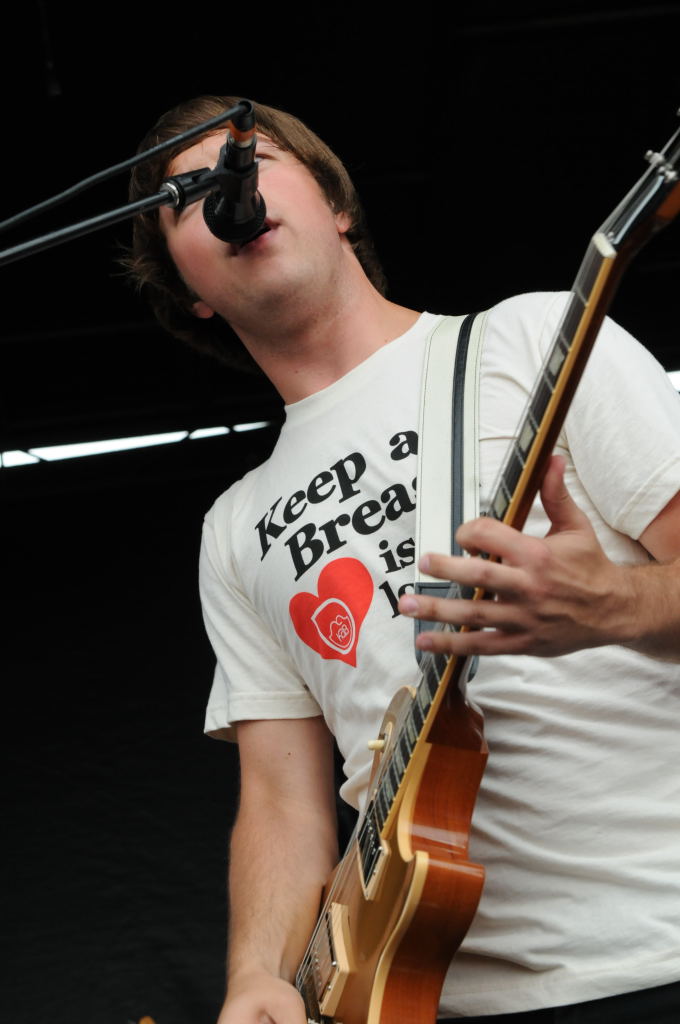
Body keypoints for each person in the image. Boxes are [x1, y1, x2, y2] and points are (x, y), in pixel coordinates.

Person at [125, 94, 680, 1023]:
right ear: (191, 293)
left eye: (249, 160)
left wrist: (613, 606)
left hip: (657, 947)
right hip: (426, 995)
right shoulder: (235, 527)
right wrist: (256, 973)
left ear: (338, 206)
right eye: (185, 198)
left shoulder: (534, 338)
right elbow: (282, 800)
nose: (225, 191)